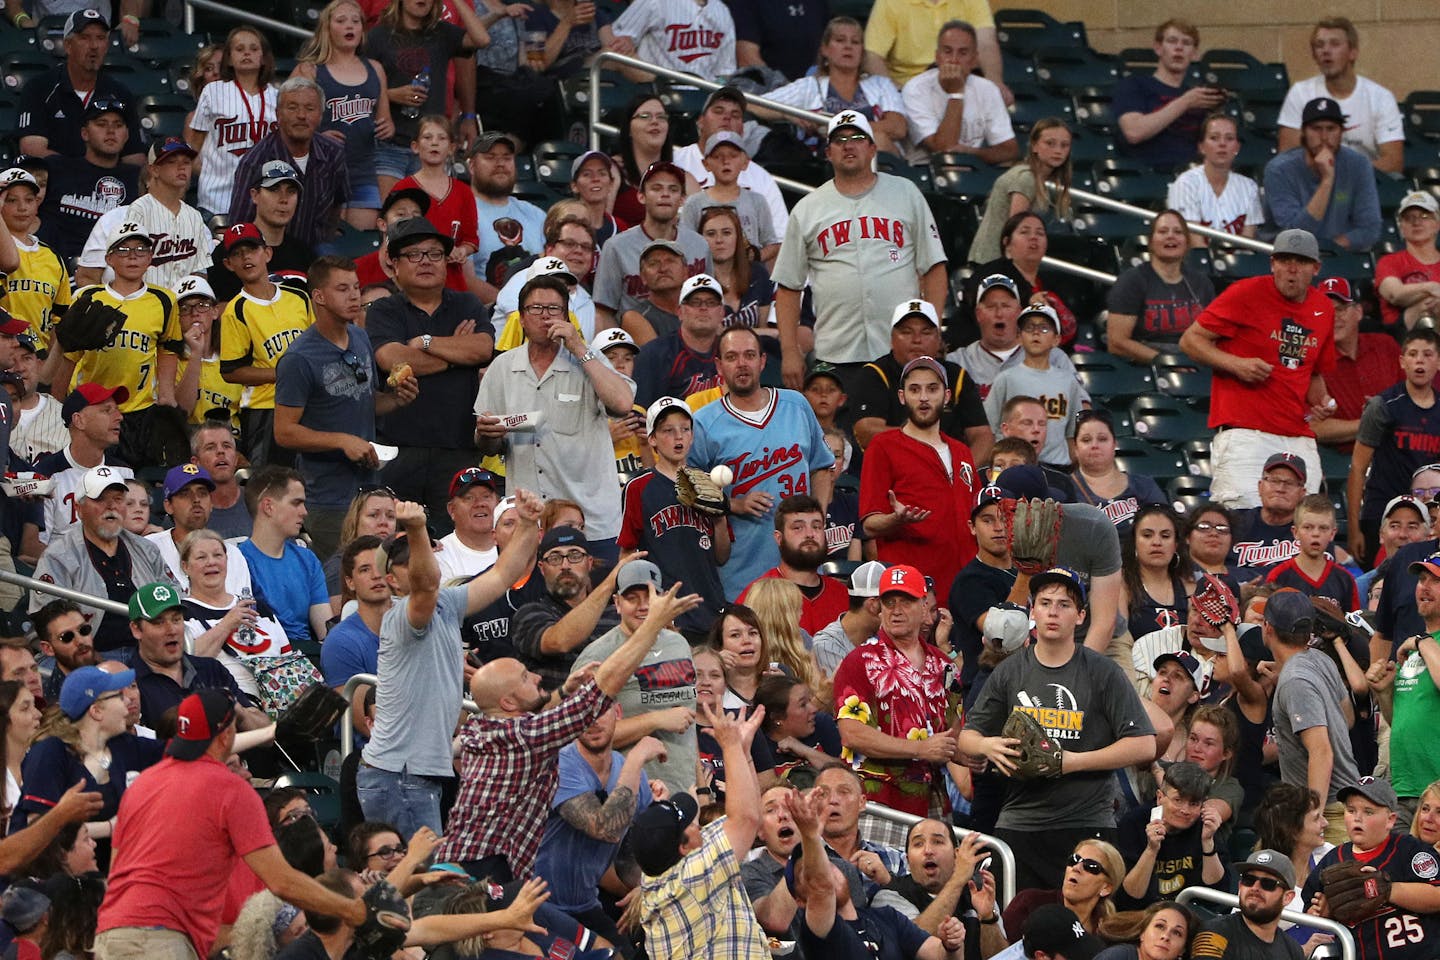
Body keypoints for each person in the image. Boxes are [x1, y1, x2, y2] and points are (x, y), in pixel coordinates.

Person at [436, 564, 700, 882]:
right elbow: (605, 827)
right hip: (478, 878)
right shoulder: (528, 735)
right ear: (507, 703)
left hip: (472, 866)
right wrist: (639, 759)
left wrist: (563, 692)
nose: (535, 675)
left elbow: (540, 715)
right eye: (524, 677)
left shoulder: (483, 729)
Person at [94, 690, 376, 960]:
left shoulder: (144, 783)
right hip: (158, 937)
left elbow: (116, 868)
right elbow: (281, 882)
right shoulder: (230, 788)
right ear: (228, 734)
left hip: (112, 930)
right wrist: (352, 910)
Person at [960, 566, 1156, 891]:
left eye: (1064, 605)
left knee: (1085, 928)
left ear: (1080, 616)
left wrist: (1071, 762)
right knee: (1011, 922)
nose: (1053, 612)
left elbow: (1144, 745)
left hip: (1087, 821)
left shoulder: (1102, 672)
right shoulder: (1010, 671)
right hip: (1021, 819)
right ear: (1032, 611)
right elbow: (968, 737)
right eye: (1045, 602)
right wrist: (988, 747)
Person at [359, 492, 542, 838]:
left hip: (409, 775)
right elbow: (426, 583)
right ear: (391, 581)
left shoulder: (447, 603)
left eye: (425, 550)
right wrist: (415, 528)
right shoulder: (403, 615)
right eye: (407, 557)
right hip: (398, 776)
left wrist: (530, 523)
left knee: (424, 883)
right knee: (420, 885)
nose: (419, 559)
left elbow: (504, 573)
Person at [773, 110, 947, 387]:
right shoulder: (807, 208)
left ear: (872, 148)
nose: (848, 145)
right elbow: (788, 286)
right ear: (828, 152)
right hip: (836, 352)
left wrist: (932, 331)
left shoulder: (906, 193)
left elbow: (934, 267)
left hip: (900, 352)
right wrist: (790, 350)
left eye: (857, 137)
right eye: (840, 140)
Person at [1178, 228, 1337, 509]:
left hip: (1297, 433)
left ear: (1316, 268)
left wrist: (1321, 403)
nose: (1291, 269)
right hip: (1246, 431)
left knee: (1306, 522)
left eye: (1300, 262)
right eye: (1285, 260)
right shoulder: (1246, 293)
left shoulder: (1323, 308)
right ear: (1272, 263)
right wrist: (1236, 364)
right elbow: (1190, 340)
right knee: (1242, 518)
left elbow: (1312, 372)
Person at [474, 274, 635, 550]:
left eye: (554, 309)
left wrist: (578, 347)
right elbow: (488, 446)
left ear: (567, 317)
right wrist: (487, 434)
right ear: (522, 319)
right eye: (535, 309)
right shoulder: (502, 368)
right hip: (530, 524)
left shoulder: (588, 360)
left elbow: (622, 404)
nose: (544, 316)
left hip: (590, 523)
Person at [273, 255, 419, 559]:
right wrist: (341, 441)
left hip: (369, 488)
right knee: (340, 579)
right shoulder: (299, 359)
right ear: (319, 297)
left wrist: (395, 399)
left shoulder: (360, 337)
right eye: (342, 289)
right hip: (327, 496)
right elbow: (284, 432)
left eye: (356, 287)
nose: (354, 295)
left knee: (376, 573)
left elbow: (363, 402)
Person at [688, 325, 835, 599]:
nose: (742, 364)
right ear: (719, 365)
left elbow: (822, 468)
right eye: (731, 357)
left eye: (749, 355)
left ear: (762, 361)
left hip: (802, 564)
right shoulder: (704, 422)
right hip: (742, 567)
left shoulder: (797, 405)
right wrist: (733, 504)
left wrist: (817, 519)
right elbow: (687, 487)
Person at [366, 219, 492, 527]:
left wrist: (425, 343)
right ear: (394, 265)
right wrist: (455, 355)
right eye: (414, 254)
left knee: (455, 541)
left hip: (458, 448)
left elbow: (482, 349)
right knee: (394, 543)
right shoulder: (384, 310)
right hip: (399, 449)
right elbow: (392, 359)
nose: (426, 261)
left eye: (435, 254)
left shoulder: (466, 304)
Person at [631, 703, 770, 957]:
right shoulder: (691, 878)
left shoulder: (662, 868)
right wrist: (729, 746)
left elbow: (750, 816)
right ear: (683, 847)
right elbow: (747, 819)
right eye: (687, 823)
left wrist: (743, 752)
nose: (696, 824)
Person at [831, 563, 959, 817]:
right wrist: (920, 749)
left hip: (933, 798)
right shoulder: (860, 661)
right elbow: (853, 734)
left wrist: (976, 754)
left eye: (906, 601)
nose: (896, 611)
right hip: (878, 800)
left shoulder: (944, 665)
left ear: (925, 606)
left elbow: (954, 731)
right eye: (889, 603)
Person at [533, 699, 659, 954]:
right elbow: (604, 828)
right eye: (583, 713)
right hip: (536, 904)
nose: (593, 721)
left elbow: (640, 848)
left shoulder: (630, 773)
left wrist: (646, 886)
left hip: (585, 904)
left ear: (618, 712)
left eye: (602, 711)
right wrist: (636, 757)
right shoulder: (560, 763)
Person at [565, 559, 699, 794]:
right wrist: (655, 720)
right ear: (617, 603)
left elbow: (688, 722)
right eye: (632, 598)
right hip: (632, 790)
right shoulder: (599, 655)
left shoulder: (678, 643)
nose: (643, 606)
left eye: (650, 596)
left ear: (663, 597)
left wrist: (701, 788)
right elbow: (582, 736)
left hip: (684, 786)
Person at [787, 787, 967, 960]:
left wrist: (952, 945)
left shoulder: (887, 917)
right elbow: (821, 887)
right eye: (808, 873)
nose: (824, 872)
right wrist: (810, 835)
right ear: (801, 901)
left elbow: (940, 955)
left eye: (825, 864)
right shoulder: (819, 931)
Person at [861, 355, 979, 597]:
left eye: (932, 389)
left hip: (964, 583)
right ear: (902, 396)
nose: (924, 397)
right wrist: (896, 519)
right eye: (915, 389)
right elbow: (869, 524)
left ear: (946, 396)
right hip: (913, 587)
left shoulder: (962, 451)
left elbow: (976, 515)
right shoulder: (883, 446)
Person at [30, 465, 174, 657]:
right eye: (100, 499)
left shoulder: (146, 549)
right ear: (79, 508)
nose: (111, 506)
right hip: (87, 656)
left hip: (149, 652)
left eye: (118, 499)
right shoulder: (58, 555)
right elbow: (48, 618)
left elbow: (173, 595)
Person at [618, 397, 730, 637]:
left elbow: (721, 556)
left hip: (710, 608)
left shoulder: (709, 484)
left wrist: (720, 518)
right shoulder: (639, 487)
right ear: (653, 439)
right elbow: (627, 555)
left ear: (692, 436)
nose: (678, 437)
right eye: (668, 430)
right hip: (665, 616)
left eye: (685, 429)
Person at [1301, 777, 1440, 959]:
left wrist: (1388, 890)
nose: (1357, 818)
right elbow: (1311, 910)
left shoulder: (1411, 850)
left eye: (1368, 812)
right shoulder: (1332, 860)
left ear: (1390, 820)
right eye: (1351, 810)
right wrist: (1324, 913)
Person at [1265, 589, 1362, 844]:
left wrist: (1312, 817)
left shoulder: (1294, 681)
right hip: (1341, 804)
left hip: (1326, 812)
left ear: (1267, 628)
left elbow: (1321, 752)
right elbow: (1347, 718)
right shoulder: (1319, 659)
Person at [216, 220, 316, 467]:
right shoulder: (235, 310)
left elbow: (318, 345)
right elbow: (231, 371)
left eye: (251, 250)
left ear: (267, 252)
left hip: (310, 401)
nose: (245, 258)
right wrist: (282, 374)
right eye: (237, 254)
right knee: (271, 483)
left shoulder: (299, 297)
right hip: (264, 408)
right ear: (229, 264)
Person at [364, 0, 489, 196]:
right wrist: (390, 94)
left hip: (431, 145)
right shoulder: (378, 35)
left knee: (429, 221)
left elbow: (482, 40)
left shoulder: (442, 33)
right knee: (390, 214)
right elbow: (357, 86)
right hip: (389, 144)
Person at [850, 298, 991, 463]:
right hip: (893, 469)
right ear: (891, 339)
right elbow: (866, 431)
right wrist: (924, 441)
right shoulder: (875, 374)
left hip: (949, 470)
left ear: (939, 339)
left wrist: (962, 475)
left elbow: (983, 436)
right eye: (907, 332)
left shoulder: (955, 375)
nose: (917, 339)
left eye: (926, 332)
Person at [293, 0, 393, 229]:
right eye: (341, 21)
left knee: (362, 244)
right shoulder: (310, 69)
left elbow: (385, 121)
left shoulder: (375, 68)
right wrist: (316, 137)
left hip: (363, 171)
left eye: (356, 21)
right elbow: (286, 121)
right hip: (321, 173)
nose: (350, 26)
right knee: (324, 249)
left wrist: (387, 127)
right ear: (327, 29)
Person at [1348, 329, 1440, 566]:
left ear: (1438, 362)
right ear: (1402, 361)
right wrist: (1353, 528)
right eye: (1412, 354)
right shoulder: (1382, 406)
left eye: (1428, 354)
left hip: (1429, 516)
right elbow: (1358, 468)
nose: (1419, 360)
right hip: (1382, 514)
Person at [129, 581, 270, 732]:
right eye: (159, 622)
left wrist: (238, 712)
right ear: (136, 629)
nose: (171, 630)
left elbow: (266, 732)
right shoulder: (129, 684)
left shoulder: (211, 669)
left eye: (176, 620)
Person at [73, 139, 212, 291]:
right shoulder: (114, 219)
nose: (181, 167)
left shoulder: (196, 223)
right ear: (154, 171)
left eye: (186, 162)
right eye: (171, 161)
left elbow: (199, 278)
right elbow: (87, 276)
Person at [229, 78, 351, 251]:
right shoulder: (256, 161)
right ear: (278, 114)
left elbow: (337, 203)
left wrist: (326, 236)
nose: (301, 115)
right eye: (293, 108)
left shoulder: (334, 152)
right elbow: (239, 223)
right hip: (267, 251)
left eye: (310, 109)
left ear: (320, 115)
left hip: (315, 249)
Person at [763, 16, 909, 157]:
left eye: (855, 42)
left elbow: (898, 127)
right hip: (824, 166)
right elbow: (752, 104)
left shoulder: (880, 84)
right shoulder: (809, 86)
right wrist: (788, 113)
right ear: (824, 49)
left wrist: (839, 128)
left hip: (879, 164)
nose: (848, 46)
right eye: (840, 40)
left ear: (862, 52)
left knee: (878, 139)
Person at [1277, 17, 1404, 174]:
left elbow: (1393, 161)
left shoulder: (1380, 97)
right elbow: (1287, 156)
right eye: (1319, 45)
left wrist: (1345, 177)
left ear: (1353, 52)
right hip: (1312, 181)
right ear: (1314, 55)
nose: (1326, 50)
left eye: (1335, 44)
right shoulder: (1301, 93)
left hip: (1366, 182)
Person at [593, 161, 709, 331]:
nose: (665, 194)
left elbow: (711, 301)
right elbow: (604, 311)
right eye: (656, 188)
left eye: (673, 189)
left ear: (683, 199)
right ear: (641, 196)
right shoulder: (616, 247)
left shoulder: (699, 244)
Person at [16, 10, 144, 164]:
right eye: (85, 38)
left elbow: (134, 156)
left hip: (106, 183)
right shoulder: (39, 88)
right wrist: (81, 174)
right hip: (56, 183)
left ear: (107, 46)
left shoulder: (120, 94)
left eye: (100, 38)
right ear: (68, 45)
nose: (94, 46)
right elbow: (32, 150)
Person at [1367, 552, 1440, 805]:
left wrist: (1422, 641)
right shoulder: (1414, 650)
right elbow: (1400, 720)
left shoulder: (1421, 644)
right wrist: (1384, 692)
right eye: (1421, 579)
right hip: (1403, 788)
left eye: (1436, 581)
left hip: (1436, 792)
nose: (1424, 587)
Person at [1263, 98, 1382, 252]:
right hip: (1291, 258)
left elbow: (1370, 228)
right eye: (1316, 129)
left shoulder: (1358, 165)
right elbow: (1295, 236)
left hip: (1340, 256)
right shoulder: (1279, 170)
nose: (1324, 137)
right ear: (1304, 132)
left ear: (1341, 132)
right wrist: (1327, 181)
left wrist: (1331, 249)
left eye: (1331, 129)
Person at [185, 26, 278, 219]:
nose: (246, 53)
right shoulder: (213, 91)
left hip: (264, 202)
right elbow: (194, 145)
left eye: (253, 49)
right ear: (228, 58)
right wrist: (209, 172)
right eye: (239, 48)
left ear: (263, 57)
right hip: (216, 199)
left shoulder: (277, 97)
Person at [671, 87, 787, 237]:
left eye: (735, 114)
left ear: (743, 129)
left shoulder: (760, 177)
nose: (727, 117)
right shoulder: (675, 162)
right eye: (718, 111)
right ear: (700, 122)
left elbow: (779, 237)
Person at [1112, 19, 1224, 172]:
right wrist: (1185, 102)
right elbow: (1134, 132)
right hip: (1147, 173)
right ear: (1158, 48)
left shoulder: (1198, 97)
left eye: (1186, 43)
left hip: (1190, 176)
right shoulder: (1134, 85)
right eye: (1172, 41)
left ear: (1195, 54)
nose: (1179, 48)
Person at [37, 99, 141, 264]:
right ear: (85, 133)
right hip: (55, 266)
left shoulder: (139, 178)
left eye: (118, 125)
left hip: (116, 271)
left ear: (127, 135)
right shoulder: (56, 168)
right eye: (102, 124)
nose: (111, 131)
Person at [985, 303, 1087, 468]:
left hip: (1057, 466)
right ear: (1019, 337)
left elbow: (1072, 433)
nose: (1036, 332)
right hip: (1015, 464)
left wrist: (1067, 462)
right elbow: (989, 428)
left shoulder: (1068, 380)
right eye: (1029, 327)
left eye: (1044, 328)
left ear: (1056, 339)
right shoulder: (1006, 378)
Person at [236, 467, 331, 646]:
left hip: (309, 657)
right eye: (296, 503)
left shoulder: (308, 560)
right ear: (268, 507)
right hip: (264, 654)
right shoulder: (239, 561)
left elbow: (325, 629)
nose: (304, 511)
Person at [950, 274, 1080, 404]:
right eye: (991, 306)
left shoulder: (1054, 358)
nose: (999, 314)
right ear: (978, 314)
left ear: (1019, 312)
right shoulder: (958, 362)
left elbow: (1082, 404)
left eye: (1006, 306)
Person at [901, 20, 1017, 165]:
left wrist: (973, 153)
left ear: (974, 60)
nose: (954, 60)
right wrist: (956, 93)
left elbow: (1009, 150)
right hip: (928, 171)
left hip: (973, 170)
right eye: (948, 51)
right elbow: (944, 150)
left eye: (963, 53)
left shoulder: (987, 89)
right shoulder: (915, 89)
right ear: (937, 57)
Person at [1106, 211, 1214, 363]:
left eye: (1178, 232)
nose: (1171, 236)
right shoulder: (1131, 281)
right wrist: (1166, 362)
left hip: (1195, 359)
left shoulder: (1202, 283)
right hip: (1149, 365)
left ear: (1187, 242)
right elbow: (1117, 343)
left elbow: (1211, 335)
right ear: (1151, 242)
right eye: (1163, 231)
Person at [1115, 761, 1226, 908]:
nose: (1185, 810)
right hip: (1140, 915)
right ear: (1160, 797)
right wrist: (1151, 849)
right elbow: (1129, 897)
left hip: (1190, 914)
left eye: (1193, 804)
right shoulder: (1133, 823)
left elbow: (1216, 895)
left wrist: (1208, 842)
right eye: (1178, 800)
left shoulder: (1205, 827)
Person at [35, 385, 131, 548]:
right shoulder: (45, 475)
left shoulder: (124, 473)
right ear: (79, 420)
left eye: (117, 410)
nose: (119, 417)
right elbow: (38, 545)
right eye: (107, 410)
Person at [206, 161, 315, 304]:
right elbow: (213, 311)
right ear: (255, 195)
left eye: (291, 191)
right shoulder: (229, 252)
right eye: (274, 189)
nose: (284, 199)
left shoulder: (305, 254)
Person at [740, 496, 850, 635]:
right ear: (779, 538)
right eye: (798, 528)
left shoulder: (842, 595)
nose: (810, 534)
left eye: (817, 527)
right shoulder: (757, 595)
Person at [968, 119, 1073, 266]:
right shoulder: (1026, 178)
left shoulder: (1032, 177)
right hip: (994, 263)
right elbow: (1017, 228)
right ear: (1035, 146)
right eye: (1050, 143)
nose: (1058, 150)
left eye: (1064, 145)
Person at [1312, 276, 1399, 452]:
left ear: (1358, 312)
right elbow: (1314, 428)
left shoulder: (1386, 345)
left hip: (1402, 454)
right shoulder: (1310, 360)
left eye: (1341, 309)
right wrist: (1373, 423)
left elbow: (1419, 396)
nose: (1334, 317)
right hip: (1346, 461)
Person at [677, 135, 779, 269]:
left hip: (749, 275)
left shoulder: (757, 201)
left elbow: (772, 243)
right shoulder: (694, 203)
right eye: (718, 156)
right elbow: (685, 245)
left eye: (733, 155)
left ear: (745, 162)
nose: (726, 161)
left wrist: (756, 256)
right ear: (706, 164)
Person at [863, 0, 1007, 95]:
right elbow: (872, 55)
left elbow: (986, 43)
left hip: (962, 84)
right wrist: (894, 92)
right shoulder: (890, 3)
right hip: (909, 90)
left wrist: (994, 82)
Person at [145, 463, 249, 594]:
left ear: (211, 504)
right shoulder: (150, 548)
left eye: (202, 493)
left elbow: (244, 607)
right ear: (168, 506)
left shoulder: (232, 555)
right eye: (185, 494)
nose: (196, 500)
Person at [1166, 113, 1265, 246]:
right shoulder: (1185, 184)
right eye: (1214, 138)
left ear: (1237, 147)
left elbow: (1247, 242)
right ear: (1201, 147)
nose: (1222, 144)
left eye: (1229, 138)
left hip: (1235, 261)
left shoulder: (1249, 186)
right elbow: (1195, 243)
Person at [468, 132, 547, 297]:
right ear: (472, 166)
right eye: (490, 157)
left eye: (507, 157)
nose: (500, 164)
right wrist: (510, 309)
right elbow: (463, 280)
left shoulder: (536, 215)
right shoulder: (461, 213)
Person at [1188, 849, 1305, 959]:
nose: (1255, 888)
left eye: (1268, 883)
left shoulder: (1293, 951)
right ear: (1240, 886)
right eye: (1248, 880)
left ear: (1287, 897)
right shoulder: (1214, 933)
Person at [0, 168, 70, 349]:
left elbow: (59, 319)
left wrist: (47, 367)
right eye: (11, 200)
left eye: (29, 200)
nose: (22, 207)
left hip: (38, 359)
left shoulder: (53, 257)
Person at [633, 272, 725, 406]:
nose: (703, 308)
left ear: (722, 312)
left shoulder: (732, 353)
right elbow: (640, 411)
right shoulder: (654, 354)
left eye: (711, 303)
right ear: (680, 312)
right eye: (695, 302)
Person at [1070, 410, 1165, 535]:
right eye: (1086, 440)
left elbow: (1166, 528)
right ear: (1076, 448)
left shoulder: (1144, 485)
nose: (1095, 445)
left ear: (1114, 444)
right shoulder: (1064, 489)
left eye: (1102, 439)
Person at [1263, 495, 1360, 610]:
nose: (1315, 534)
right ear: (1295, 532)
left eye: (1323, 528)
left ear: (1333, 533)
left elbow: (1354, 624)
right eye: (1308, 527)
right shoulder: (1278, 576)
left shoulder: (1345, 580)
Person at [609, 0, 736, 82]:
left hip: (704, 99)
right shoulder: (653, 2)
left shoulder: (722, 10)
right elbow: (612, 47)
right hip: (658, 94)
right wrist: (627, 41)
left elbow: (725, 71)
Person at [1229, 452, 1310, 571]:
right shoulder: (1232, 522)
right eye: (1274, 480)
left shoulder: (1311, 531)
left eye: (1289, 483)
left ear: (1302, 493)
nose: (1280, 489)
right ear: (1260, 487)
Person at [1377, 191, 1440, 330]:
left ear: (1437, 224)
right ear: (1401, 227)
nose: (1416, 222)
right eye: (1408, 218)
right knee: (1429, 303)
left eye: (1424, 216)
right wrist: (1433, 288)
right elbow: (1395, 294)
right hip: (1401, 333)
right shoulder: (1388, 262)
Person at [190, 421, 250, 539]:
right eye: (210, 447)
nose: (220, 452)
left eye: (226, 446)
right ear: (196, 463)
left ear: (236, 458)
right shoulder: (187, 512)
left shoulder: (259, 501)